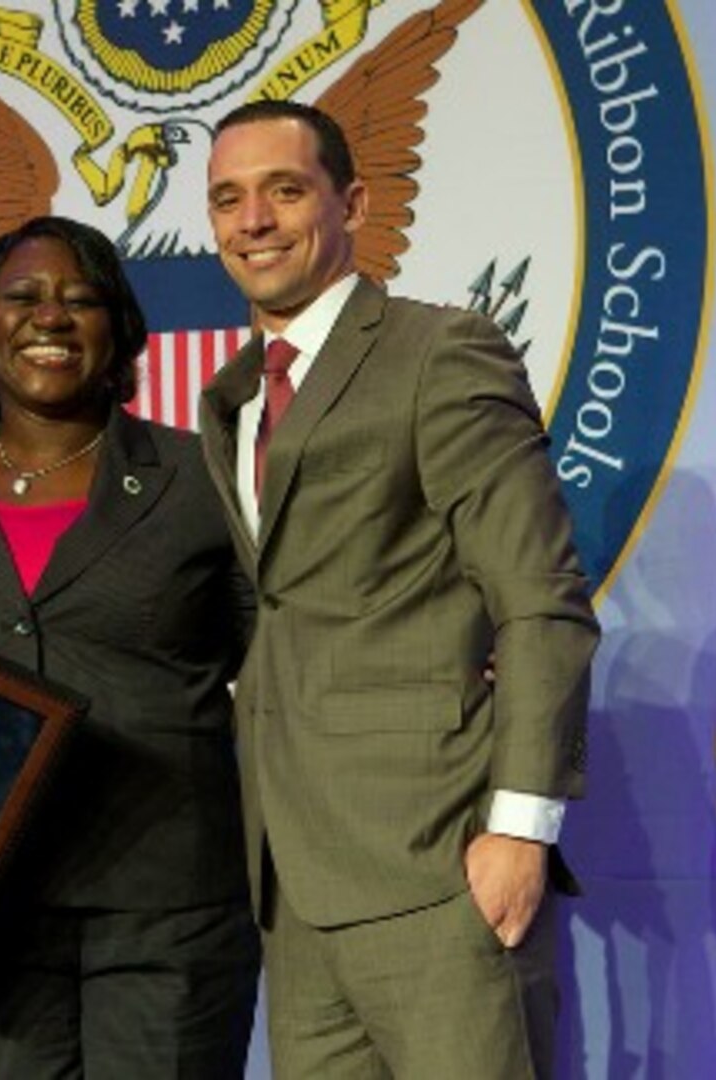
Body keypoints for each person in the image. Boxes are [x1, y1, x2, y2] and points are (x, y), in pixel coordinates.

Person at [198, 99, 601, 1078]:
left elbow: (540, 601)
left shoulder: (437, 353)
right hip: (293, 885)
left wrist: (518, 829)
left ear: (353, 204)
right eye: (227, 199)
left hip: (436, 868)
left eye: (283, 191)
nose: (252, 220)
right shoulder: (230, 399)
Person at [0, 215, 259, 1079]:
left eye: (81, 300)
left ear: (117, 331)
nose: (51, 316)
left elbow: (283, 653)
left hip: (169, 908)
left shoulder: (202, 476)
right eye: (23, 297)